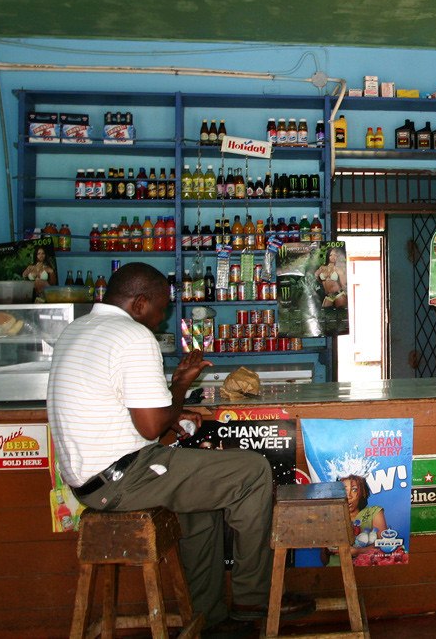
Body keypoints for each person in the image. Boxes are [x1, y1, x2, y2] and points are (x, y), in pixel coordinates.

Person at [47, 263, 313, 639]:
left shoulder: (77, 330)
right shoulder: (131, 336)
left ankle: (209, 614)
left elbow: (132, 415)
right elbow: (153, 426)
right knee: (252, 472)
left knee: (201, 507)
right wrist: (176, 393)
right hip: (124, 477)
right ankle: (254, 596)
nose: (161, 318)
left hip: (91, 482)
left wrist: (175, 395)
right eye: (160, 308)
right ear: (139, 302)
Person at [320, 473, 387, 566]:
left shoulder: (373, 513)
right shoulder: (332, 518)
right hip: (335, 573)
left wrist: (358, 551)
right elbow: (325, 560)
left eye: (354, 490)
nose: (349, 496)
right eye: (344, 490)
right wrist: (325, 549)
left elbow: (384, 546)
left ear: (362, 492)